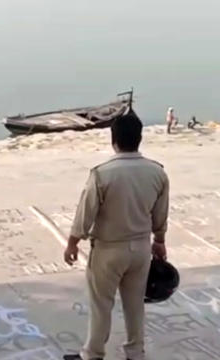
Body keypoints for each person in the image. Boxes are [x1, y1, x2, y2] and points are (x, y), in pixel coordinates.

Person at [62, 114, 169, 360]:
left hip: (108, 250)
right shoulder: (157, 172)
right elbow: (160, 213)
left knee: (101, 305)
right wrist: (160, 241)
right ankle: (135, 352)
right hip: (141, 248)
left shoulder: (102, 174)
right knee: (135, 305)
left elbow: (85, 213)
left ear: (114, 140)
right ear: (140, 138)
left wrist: (72, 243)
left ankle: (93, 354)